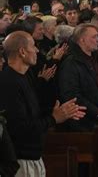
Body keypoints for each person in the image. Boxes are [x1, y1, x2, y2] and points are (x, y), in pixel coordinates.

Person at [0, 31, 85, 176]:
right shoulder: (8, 82)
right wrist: (53, 118)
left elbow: (33, 113)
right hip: (21, 160)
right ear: (22, 52)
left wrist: (61, 113)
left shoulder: (25, 76)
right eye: (33, 46)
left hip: (32, 156)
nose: (37, 50)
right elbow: (20, 129)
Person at [57, 24, 98, 131]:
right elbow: (71, 95)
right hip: (83, 123)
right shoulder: (71, 63)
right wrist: (95, 111)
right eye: (94, 37)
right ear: (82, 40)